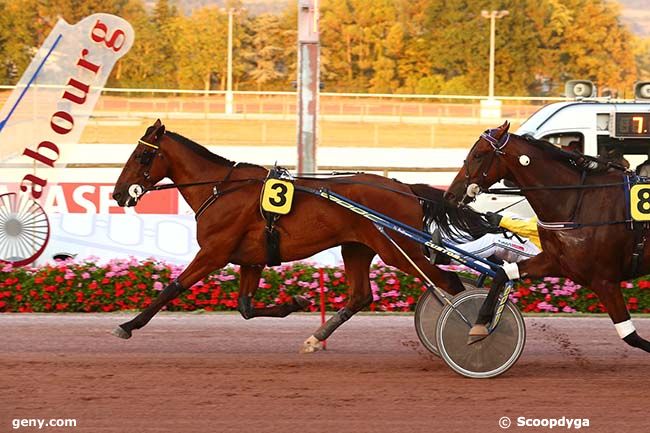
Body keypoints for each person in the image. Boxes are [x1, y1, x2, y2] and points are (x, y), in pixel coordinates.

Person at [447, 212, 541, 264]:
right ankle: (450, 244)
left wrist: (502, 221)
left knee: (493, 241)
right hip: (532, 243)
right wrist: (507, 220)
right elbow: (532, 222)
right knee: (509, 215)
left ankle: (448, 256)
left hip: (540, 255)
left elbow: (537, 229)